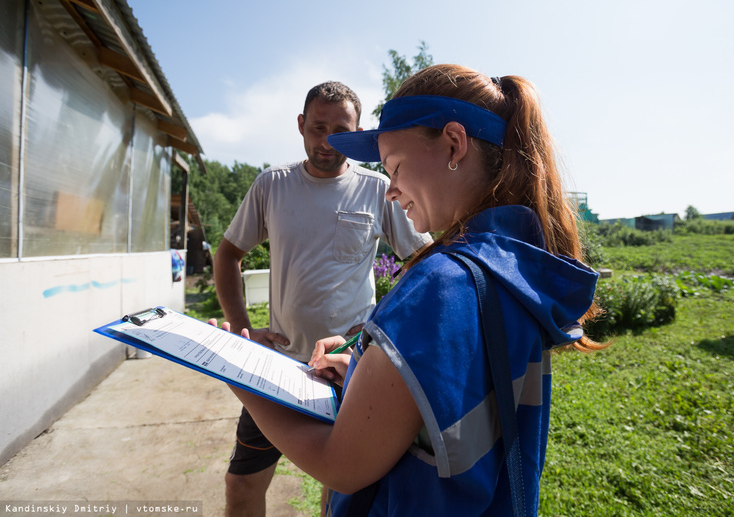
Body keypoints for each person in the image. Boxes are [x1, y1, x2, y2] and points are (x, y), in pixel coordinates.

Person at [221, 64, 604, 516]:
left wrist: (238, 372)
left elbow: (341, 465)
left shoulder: (438, 286)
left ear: (454, 144)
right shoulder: (515, 264)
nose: (390, 191)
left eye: (396, 167)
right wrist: (372, 367)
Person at [213, 81, 432, 516]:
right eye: (317, 128)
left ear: (356, 132)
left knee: (339, 491)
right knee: (241, 486)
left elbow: (423, 263)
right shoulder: (271, 186)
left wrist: (378, 326)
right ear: (300, 126)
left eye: (339, 130)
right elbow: (228, 255)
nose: (327, 140)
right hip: (277, 368)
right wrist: (242, 330)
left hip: (347, 374)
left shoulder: (376, 189)